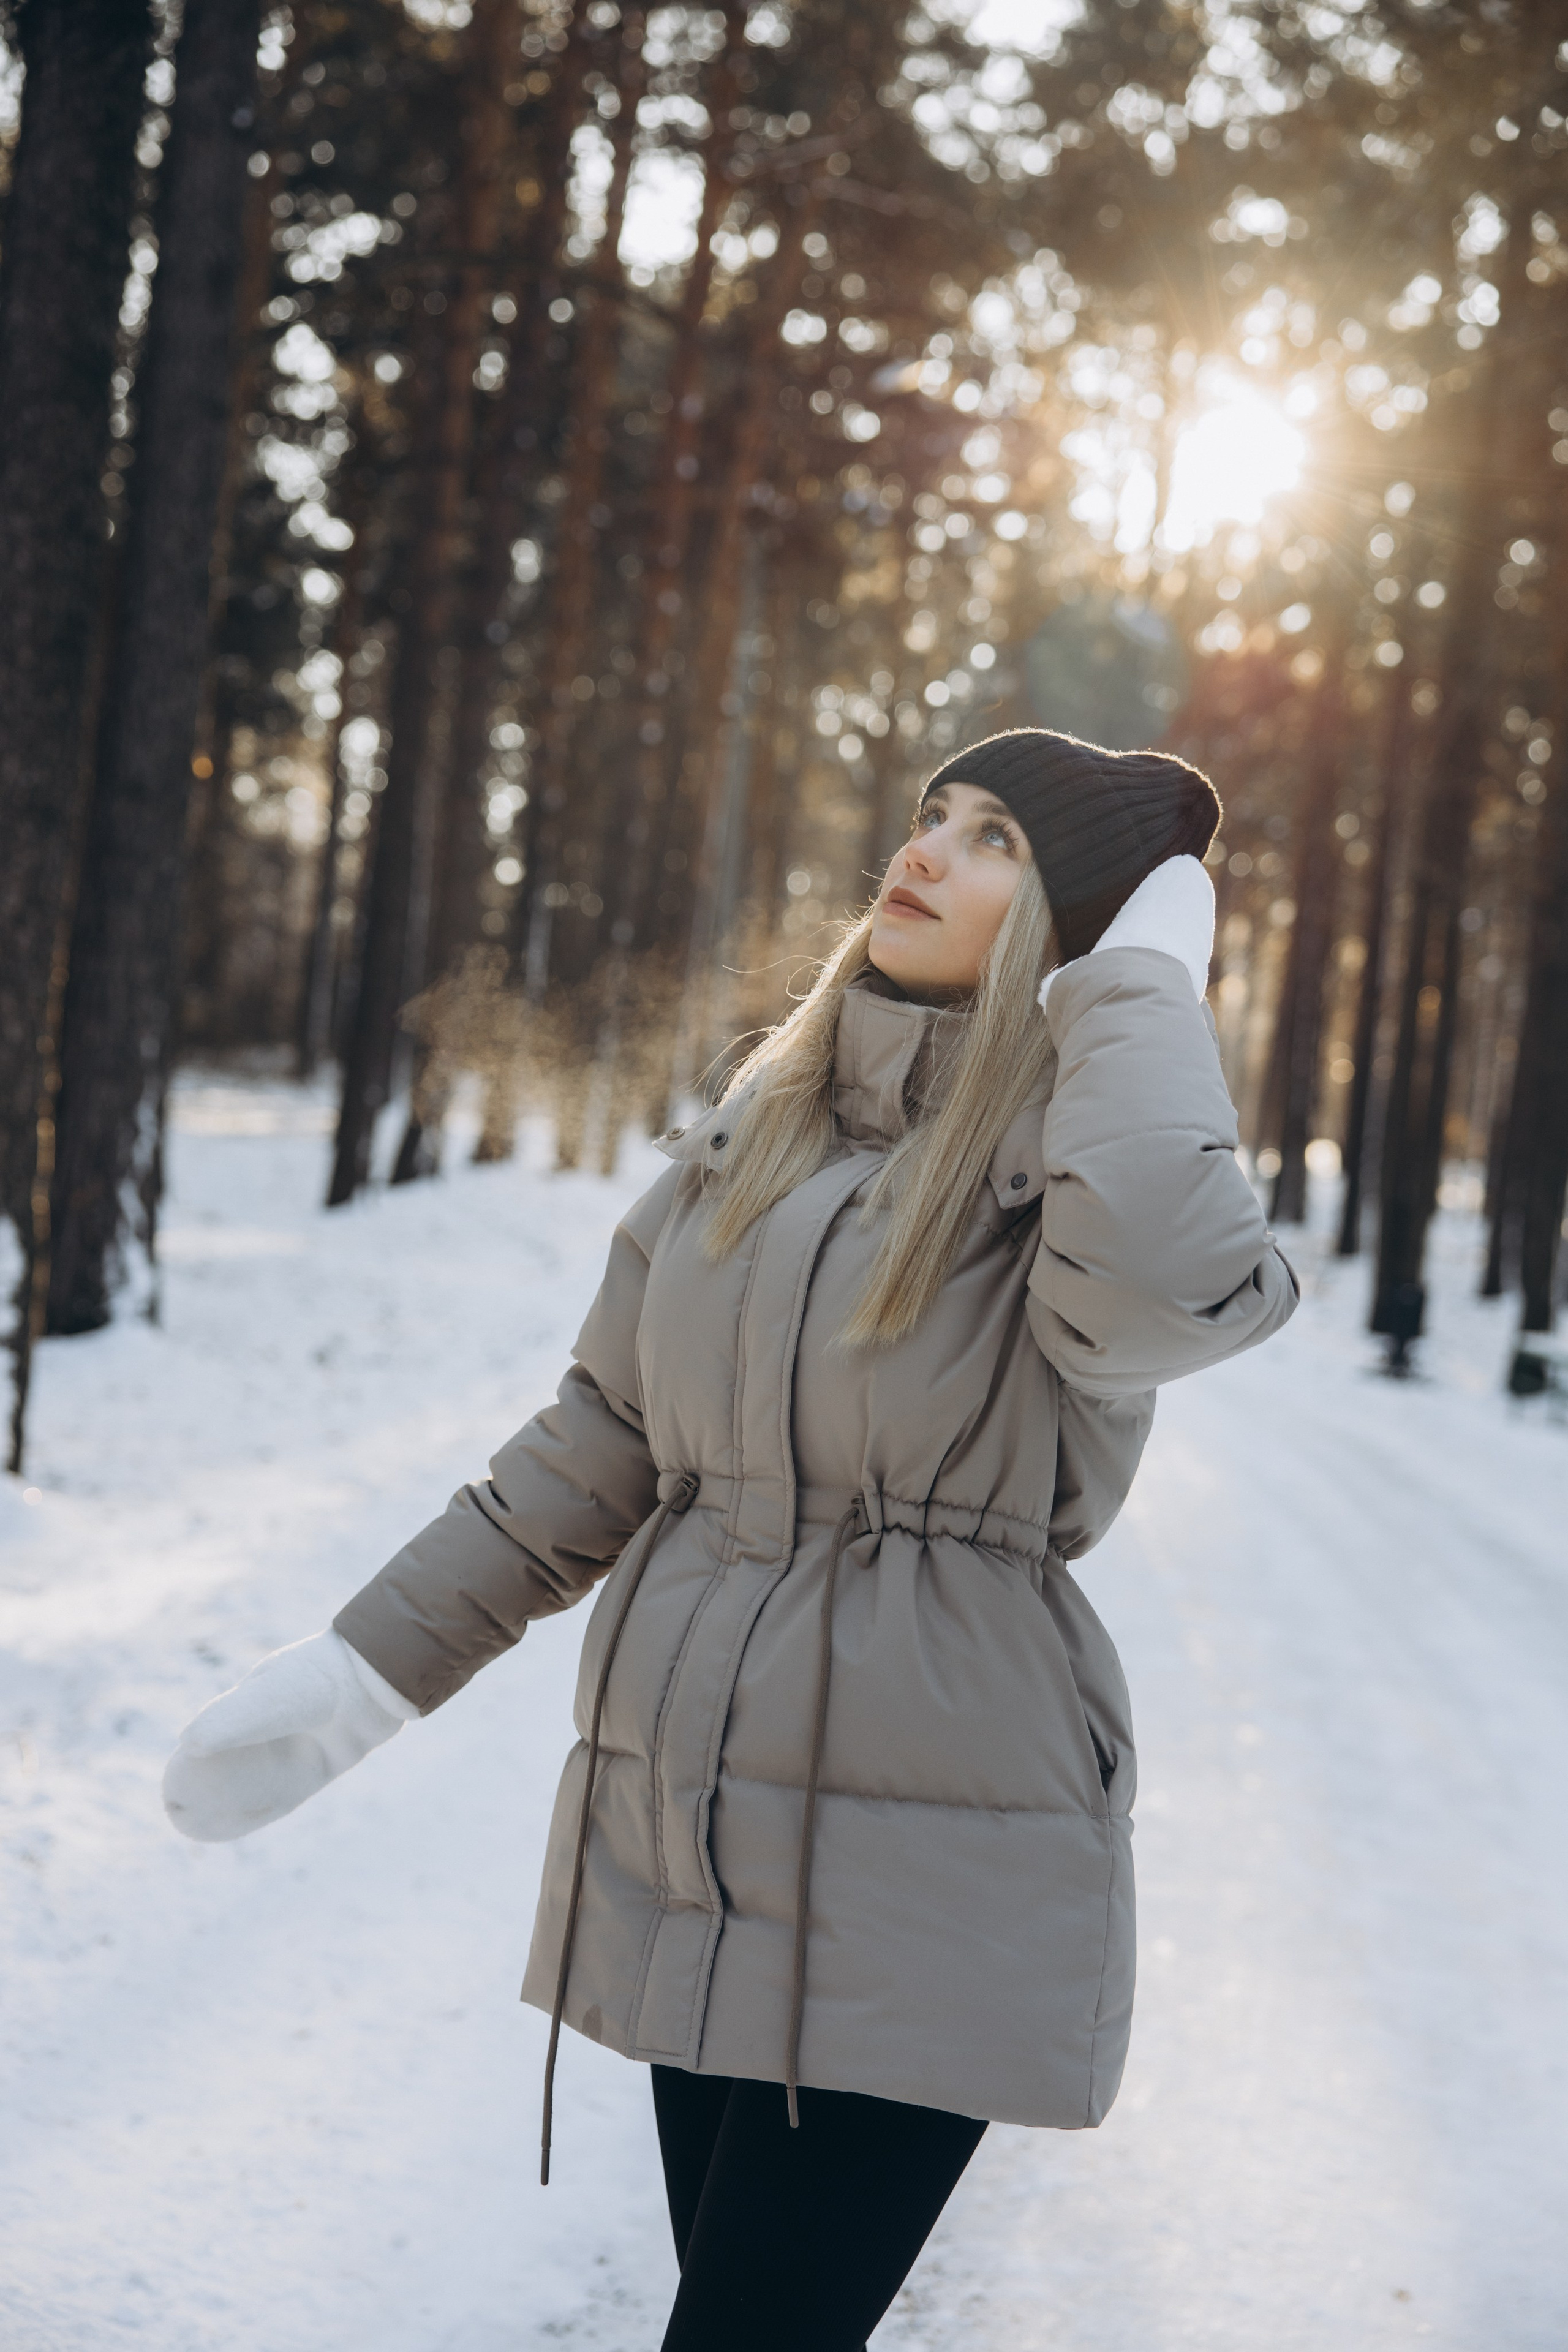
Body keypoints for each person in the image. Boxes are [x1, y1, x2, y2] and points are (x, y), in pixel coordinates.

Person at [165, 726, 1298, 2351]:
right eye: (934, 814)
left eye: (998, 840)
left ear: (1084, 927)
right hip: (690, 1852)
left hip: (932, 1875)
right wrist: (361, 1674)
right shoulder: (765, 1131)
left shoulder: (1078, 1154)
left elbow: (1173, 1294)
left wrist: (1141, 985)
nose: (925, 850)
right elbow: (596, 1447)